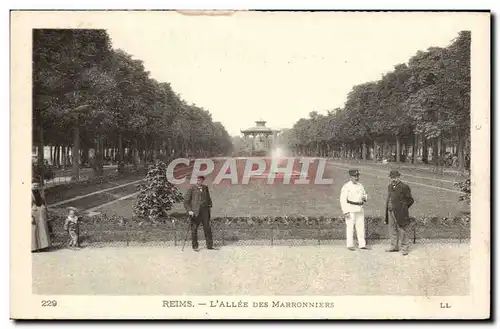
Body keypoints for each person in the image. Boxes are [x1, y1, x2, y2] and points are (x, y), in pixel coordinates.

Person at [385, 170, 415, 256]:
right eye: (392, 177)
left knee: (402, 229)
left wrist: (403, 208)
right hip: (390, 211)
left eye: (395, 177)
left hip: (400, 212)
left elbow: (410, 200)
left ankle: (405, 247)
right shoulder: (390, 186)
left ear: (399, 177)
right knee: (392, 229)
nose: (393, 179)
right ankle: (394, 246)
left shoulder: (404, 187)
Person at [183, 176, 215, 251]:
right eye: (198, 180)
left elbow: (208, 198)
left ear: (202, 181)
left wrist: (209, 206)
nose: (199, 181)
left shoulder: (205, 188)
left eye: (200, 180)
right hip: (195, 212)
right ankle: (195, 246)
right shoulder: (192, 188)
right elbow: (186, 202)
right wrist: (189, 211)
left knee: (207, 228)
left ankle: (209, 245)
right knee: (194, 229)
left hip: (205, 212)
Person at [340, 169, 369, 251]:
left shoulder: (360, 185)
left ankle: (362, 244)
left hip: (359, 208)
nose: (356, 178)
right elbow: (343, 200)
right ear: (350, 177)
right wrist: (345, 211)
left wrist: (364, 197)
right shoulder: (346, 186)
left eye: (357, 176)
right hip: (350, 208)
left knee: (360, 227)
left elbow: (364, 195)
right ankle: (350, 244)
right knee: (350, 227)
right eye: (354, 176)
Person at [31, 181, 51, 252]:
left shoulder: (40, 193)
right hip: (33, 213)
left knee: (42, 229)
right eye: (34, 185)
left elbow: (43, 202)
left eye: (37, 185)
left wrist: (44, 207)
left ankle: (43, 246)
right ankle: (34, 248)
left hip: (41, 213)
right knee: (34, 230)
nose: (35, 186)